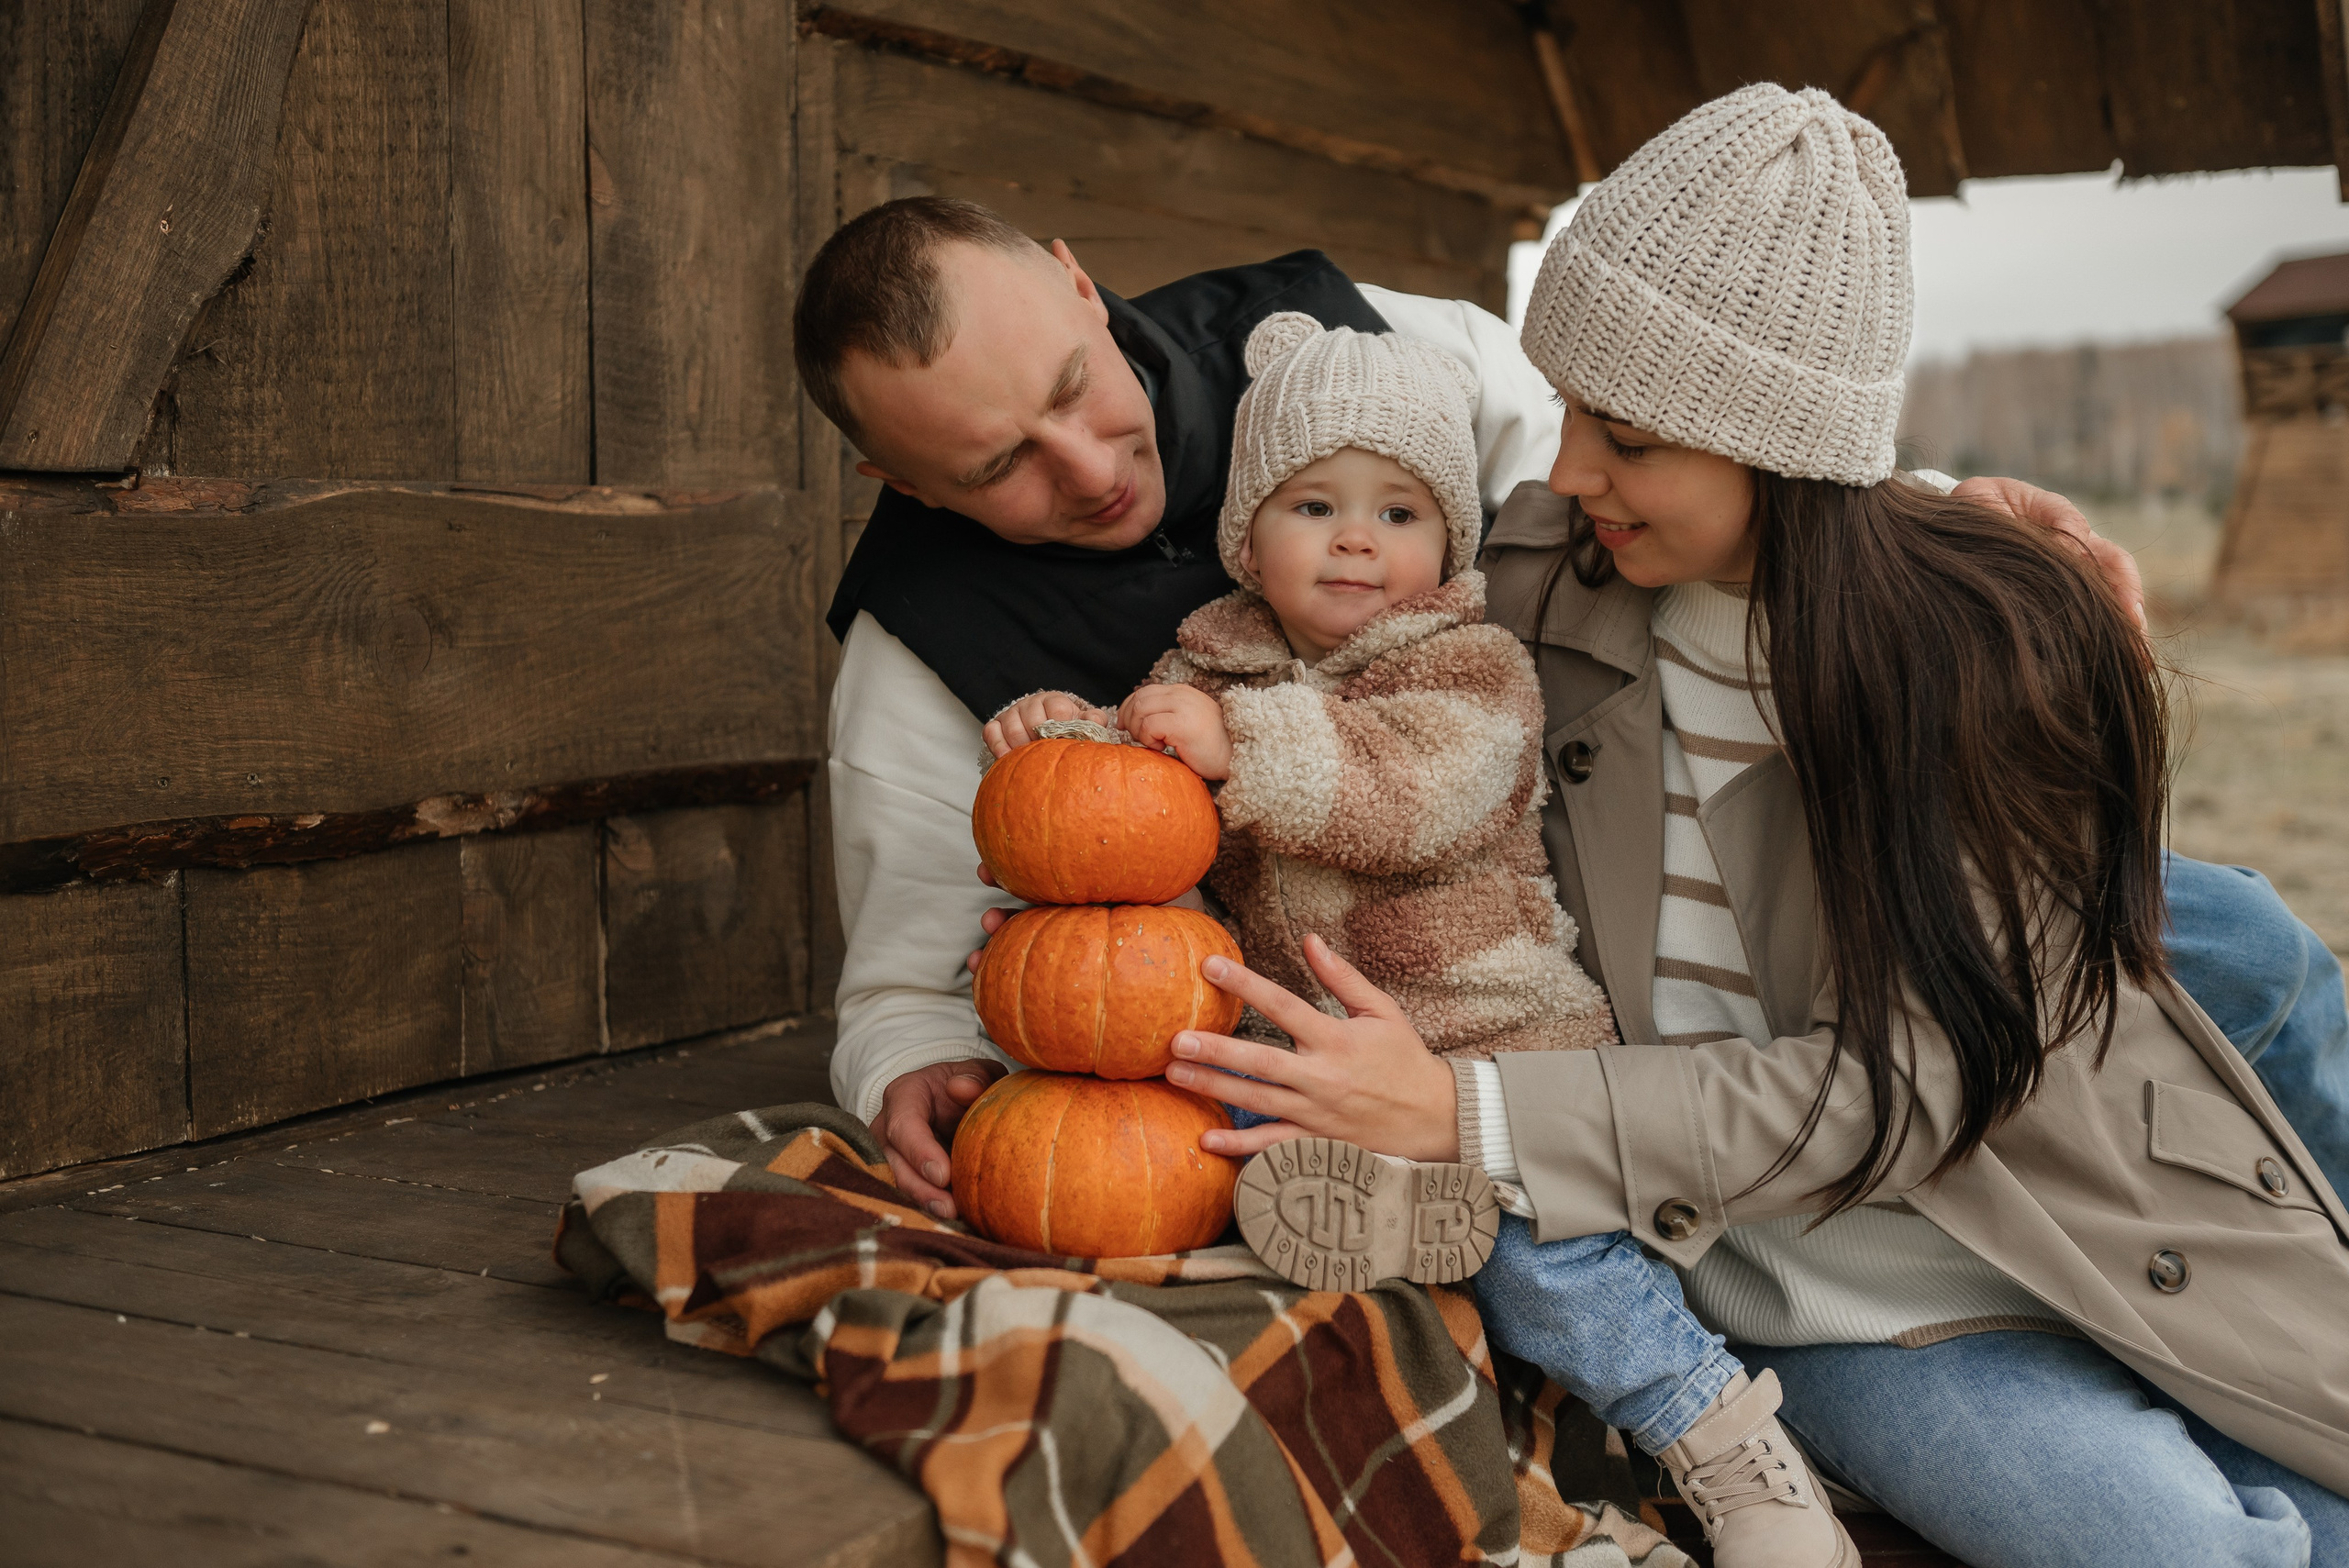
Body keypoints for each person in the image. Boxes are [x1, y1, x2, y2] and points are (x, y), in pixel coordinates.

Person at [1162, 85, 2349, 1568]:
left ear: (1775, 441)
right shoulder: (1532, 589)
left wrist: (1464, 1113)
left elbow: (1905, 1091)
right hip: (1840, 1299)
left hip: (2074, 1221)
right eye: (1572, 409)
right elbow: (1306, 473)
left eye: (1630, 434)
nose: (1569, 467)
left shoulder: (1969, 651)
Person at [795, 196, 2349, 1229]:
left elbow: (1685, 480)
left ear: (1080, 278)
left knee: (2232, 944)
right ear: (902, 482)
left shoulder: (1377, 339)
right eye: (999, 466)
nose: (1086, 468)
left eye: (1077, 385)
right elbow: (906, 969)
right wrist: (912, 1061)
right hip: (1408, 1022)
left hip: (1673, 846)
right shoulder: (916, 648)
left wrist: (1921, 513)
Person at [989, 308, 1854, 1566]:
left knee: (1540, 1252)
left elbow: (1417, 794)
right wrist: (1073, 738)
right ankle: (1387, 1228)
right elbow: (1136, 816)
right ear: (1246, 532)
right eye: (1312, 505)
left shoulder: (1470, 665)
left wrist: (1245, 746)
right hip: (1323, 1069)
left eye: (1397, 511)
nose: (1355, 537)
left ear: (1446, 536)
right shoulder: (1208, 666)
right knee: (1204, 1154)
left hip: (1489, 1051)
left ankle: (1714, 1424)